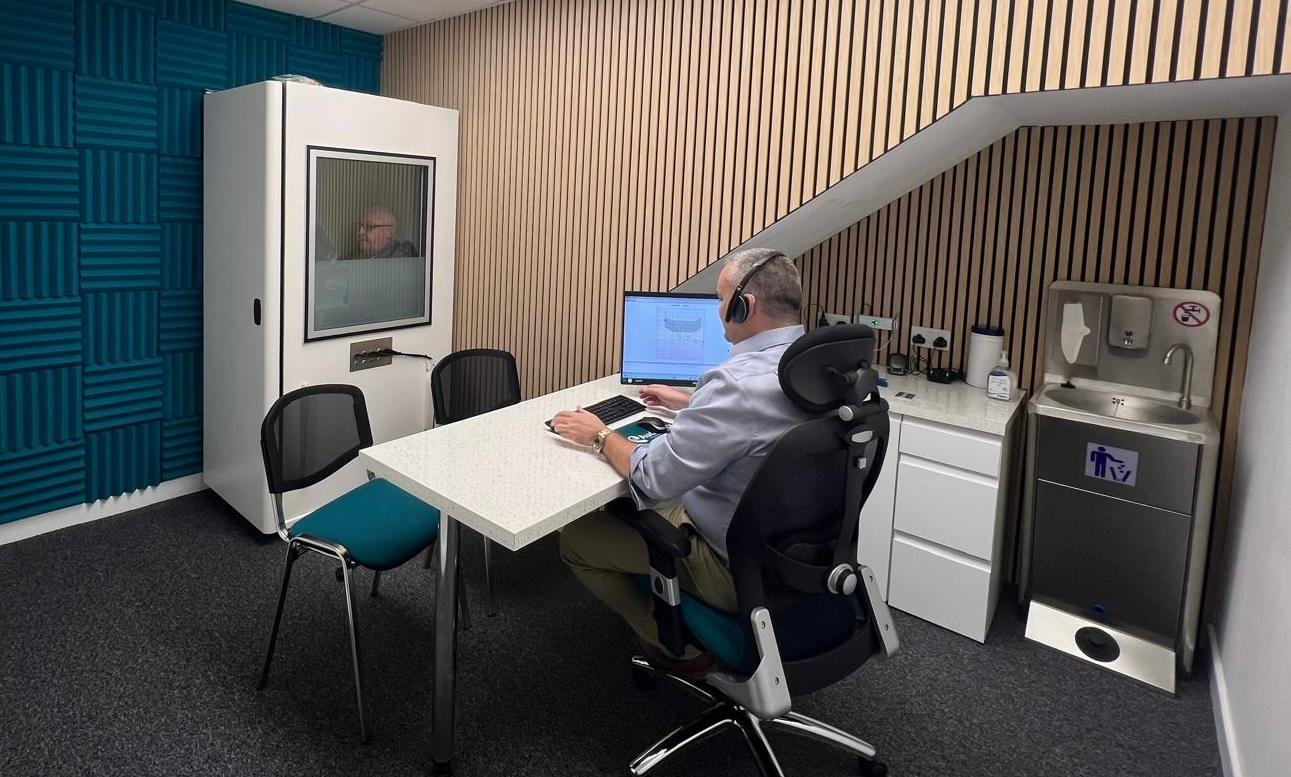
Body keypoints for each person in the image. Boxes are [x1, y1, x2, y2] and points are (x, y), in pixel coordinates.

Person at [551, 248, 808, 677]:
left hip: (734, 569)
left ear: (745, 306)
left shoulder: (735, 385)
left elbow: (653, 477)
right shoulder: (810, 367)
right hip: (798, 557)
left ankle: (676, 648)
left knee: (576, 538)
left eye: (722, 298)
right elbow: (762, 419)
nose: (719, 309)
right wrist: (693, 403)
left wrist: (598, 434)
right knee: (631, 507)